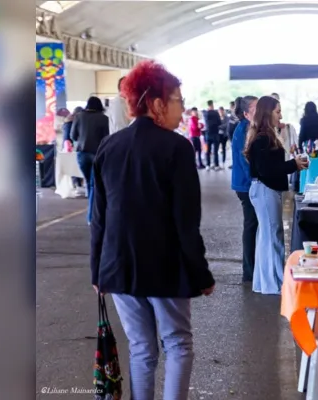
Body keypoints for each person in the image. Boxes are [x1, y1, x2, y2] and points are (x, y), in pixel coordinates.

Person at [91, 60, 215, 400]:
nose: (182, 106)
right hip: (164, 265)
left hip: (116, 265)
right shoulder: (177, 147)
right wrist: (201, 275)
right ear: (157, 103)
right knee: (177, 343)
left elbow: (99, 217)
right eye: (177, 99)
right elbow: (185, 222)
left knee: (141, 347)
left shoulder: (108, 146)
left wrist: (97, 271)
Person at [244, 96, 308, 294]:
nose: (280, 115)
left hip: (265, 189)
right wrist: (293, 164)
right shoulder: (263, 138)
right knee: (274, 237)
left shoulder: (265, 135)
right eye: (277, 111)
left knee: (266, 238)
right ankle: (278, 284)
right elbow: (267, 170)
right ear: (267, 113)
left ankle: (266, 283)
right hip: (266, 189)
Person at [231, 95, 259, 283]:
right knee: (251, 226)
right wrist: (258, 179)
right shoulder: (243, 130)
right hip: (245, 185)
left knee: (254, 225)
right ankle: (248, 272)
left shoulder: (250, 128)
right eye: (256, 107)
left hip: (248, 183)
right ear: (246, 112)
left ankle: (252, 268)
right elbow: (245, 160)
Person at [71, 96, 109, 224]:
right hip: (96, 154)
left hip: (81, 153)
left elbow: (72, 136)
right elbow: (106, 138)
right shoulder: (104, 119)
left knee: (89, 183)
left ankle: (91, 212)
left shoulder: (79, 116)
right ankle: (91, 217)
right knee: (94, 185)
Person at [204, 100, 222, 170]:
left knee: (208, 151)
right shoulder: (216, 113)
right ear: (212, 105)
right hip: (215, 134)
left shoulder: (205, 113)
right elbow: (219, 123)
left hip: (208, 134)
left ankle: (208, 165)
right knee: (215, 151)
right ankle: (216, 165)